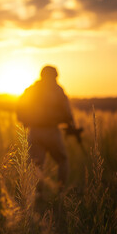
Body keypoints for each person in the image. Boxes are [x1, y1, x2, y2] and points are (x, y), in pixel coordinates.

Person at [16, 65, 75, 193]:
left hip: (34, 132)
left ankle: (38, 194)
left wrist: (27, 121)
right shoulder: (57, 90)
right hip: (52, 131)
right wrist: (71, 125)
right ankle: (61, 190)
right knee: (62, 160)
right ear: (54, 76)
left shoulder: (32, 89)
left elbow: (20, 109)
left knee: (36, 165)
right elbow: (67, 112)